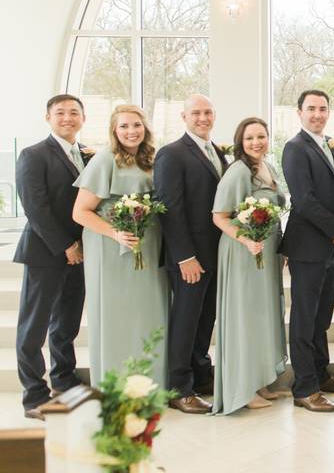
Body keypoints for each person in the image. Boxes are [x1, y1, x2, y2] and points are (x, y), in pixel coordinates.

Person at [72, 105, 167, 386]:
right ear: (114, 130)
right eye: (124, 126)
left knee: (149, 313)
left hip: (148, 245)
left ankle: (151, 381)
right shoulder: (105, 160)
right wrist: (116, 234)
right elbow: (80, 212)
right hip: (112, 249)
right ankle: (117, 384)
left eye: (136, 125)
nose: (131, 131)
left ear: (145, 128)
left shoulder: (151, 158)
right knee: (118, 316)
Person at [15, 94, 89, 420]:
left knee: (67, 324)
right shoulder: (33, 155)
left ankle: (64, 379)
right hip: (45, 252)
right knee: (34, 328)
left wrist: (81, 246)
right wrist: (65, 246)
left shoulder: (87, 156)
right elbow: (36, 209)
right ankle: (34, 394)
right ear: (48, 118)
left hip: (81, 253)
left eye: (74, 113)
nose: (68, 118)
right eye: (60, 113)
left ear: (82, 118)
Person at [153, 94, 227, 414]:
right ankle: (178, 388)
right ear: (183, 117)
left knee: (204, 319)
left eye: (208, 112)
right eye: (195, 113)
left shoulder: (219, 152)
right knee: (185, 321)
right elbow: (170, 209)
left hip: (214, 254)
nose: (202, 118)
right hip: (189, 258)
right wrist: (185, 257)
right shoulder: (171, 154)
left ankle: (200, 375)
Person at [280, 90, 334, 413]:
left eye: (323, 108)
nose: (318, 114)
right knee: (304, 318)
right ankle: (304, 387)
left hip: (331, 245)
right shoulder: (295, 149)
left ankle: (321, 373)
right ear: (300, 112)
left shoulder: (332, 145)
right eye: (311, 109)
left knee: (323, 315)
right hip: (307, 245)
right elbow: (304, 199)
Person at [211, 117, 287, 414]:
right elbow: (219, 215)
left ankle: (259, 380)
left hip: (265, 252)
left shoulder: (267, 167)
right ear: (240, 142)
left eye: (261, 136)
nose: (256, 142)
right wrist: (246, 240)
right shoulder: (238, 171)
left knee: (260, 314)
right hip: (244, 252)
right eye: (250, 138)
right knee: (245, 316)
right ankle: (243, 388)